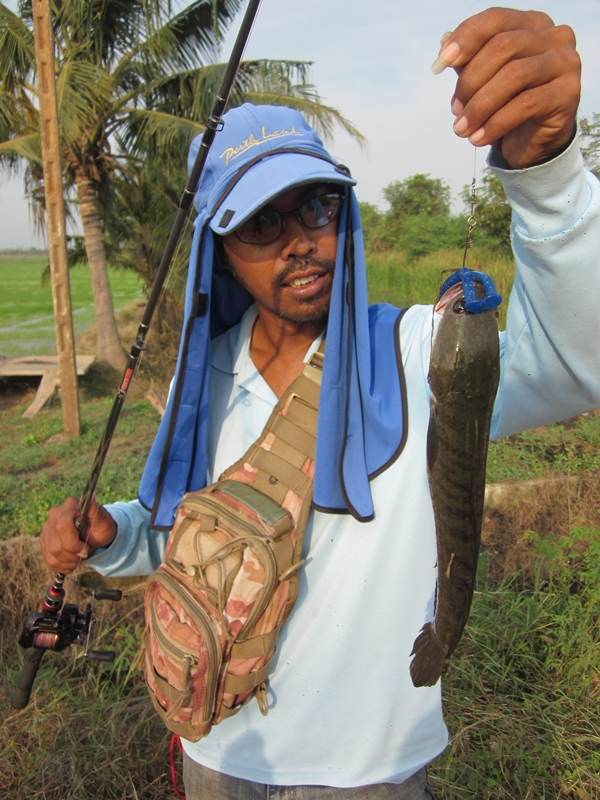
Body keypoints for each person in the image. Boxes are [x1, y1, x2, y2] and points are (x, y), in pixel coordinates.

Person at [41, 8, 600, 799]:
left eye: (317, 208)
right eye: (261, 222)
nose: (299, 239)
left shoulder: (416, 351)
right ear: (220, 254)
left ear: (346, 215)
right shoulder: (202, 386)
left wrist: (547, 177)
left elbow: (580, 365)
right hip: (221, 756)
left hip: (371, 772)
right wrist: (113, 534)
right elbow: (181, 538)